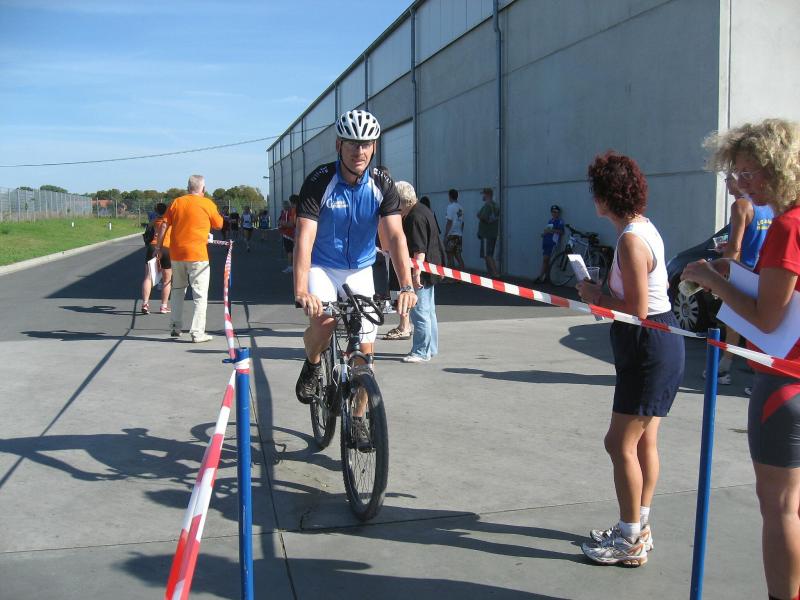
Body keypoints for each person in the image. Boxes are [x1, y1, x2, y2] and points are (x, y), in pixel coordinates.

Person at [682, 119, 800, 600]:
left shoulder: (788, 227)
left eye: (750, 172)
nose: (743, 183)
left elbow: (767, 319)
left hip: (785, 382)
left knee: (780, 508)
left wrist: (713, 279)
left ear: (778, 167)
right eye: (738, 173)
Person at [577, 151, 685, 567]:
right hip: (655, 342)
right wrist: (603, 294)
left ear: (607, 196)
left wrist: (595, 295)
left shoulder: (631, 240)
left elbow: (637, 309)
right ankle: (638, 526)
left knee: (618, 443)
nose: (593, 199)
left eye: (596, 192)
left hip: (647, 345)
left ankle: (629, 538)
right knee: (643, 442)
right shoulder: (641, 229)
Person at [293, 109, 417, 450]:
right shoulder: (320, 181)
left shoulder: (382, 184)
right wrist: (301, 289)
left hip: (361, 267)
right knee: (325, 320)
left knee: (365, 354)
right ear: (339, 145)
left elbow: (395, 237)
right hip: (322, 264)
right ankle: (312, 363)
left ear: (373, 147)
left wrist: (406, 285)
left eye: (365, 144)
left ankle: (359, 418)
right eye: (351, 144)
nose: (359, 151)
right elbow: (304, 237)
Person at [710, 175, 774, 385]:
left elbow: (735, 246)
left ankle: (724, 369)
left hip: (743, 272)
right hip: (764, 273)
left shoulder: (740, 206)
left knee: (733, 322)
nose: (727, 184)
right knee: (759, 326)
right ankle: (759, 376)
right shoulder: (767, 206)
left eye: (729, 178)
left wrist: (721, 274)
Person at [157, 175, 223, 343]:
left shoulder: (176, 202)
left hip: (177, 254)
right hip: (198, 256)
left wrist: (158, 247)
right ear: (203, 189)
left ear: (188, 187)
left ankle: (175, 326)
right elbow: (219, 224)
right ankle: (197, 332)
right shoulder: (207, 203)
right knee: (200, 295)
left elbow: (164, 224)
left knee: (177, 290)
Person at [397, 181, 443, 363]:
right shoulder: (424, 210)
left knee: (419, 312)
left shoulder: (414, 218)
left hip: (422, 271)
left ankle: (421, 351)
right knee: (429, 311)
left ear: (402, 201)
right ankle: (431, 348)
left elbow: (419, 250)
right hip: (432, 268)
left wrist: (416, 274)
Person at [141, 202, 172, 315]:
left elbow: (147, 231)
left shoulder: (153, 222)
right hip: (166, 248)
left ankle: (145, 304)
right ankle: (163, 306)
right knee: (167, 280)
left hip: (152, 247)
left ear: (156, 211)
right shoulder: (170, 221)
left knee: (148, 277)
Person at [535, 205, 565, 283]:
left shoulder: (560, 221)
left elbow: (561, 232)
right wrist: (544, 234)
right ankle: (546, 277)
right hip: (546, 242)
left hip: (552, 243)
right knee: (547, 261)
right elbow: (548, 230)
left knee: (546, 260)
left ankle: (541, 277)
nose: (554, 213)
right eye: (553, 212)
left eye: (556, 212)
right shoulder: (550, 221)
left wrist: (552, 230)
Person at [477, 187, 500, 277]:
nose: (482, 196)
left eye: (483, 194)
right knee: (488, 254)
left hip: (486, 234)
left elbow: (483, 217)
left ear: (487, 195)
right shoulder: (495, 205)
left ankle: (495, 273)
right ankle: (490, 274)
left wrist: (479, 215)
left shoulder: (487, 206)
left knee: (488, 255)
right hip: (493, 233)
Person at [444, 188, 465, 270]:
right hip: (459, 235)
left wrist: (446, 235)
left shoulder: (450, 207)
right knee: (458, 255)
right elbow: (462, 223)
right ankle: (463, 274)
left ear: (450, 196)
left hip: (451, 234)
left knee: (450, 256)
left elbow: (449, 222)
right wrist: (460, 233)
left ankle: (451, 275)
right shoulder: (461, 208)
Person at [278, 197, 297, 273]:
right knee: (291, 251)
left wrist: (282, 223)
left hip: (289, 234)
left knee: (290, 251)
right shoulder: (285, 212)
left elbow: (291, 224)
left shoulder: (292, 211)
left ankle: (290, 266)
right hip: (289, 233)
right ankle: (292, 266)